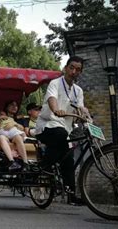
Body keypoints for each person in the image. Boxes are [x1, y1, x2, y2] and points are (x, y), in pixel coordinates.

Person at [35, 56, 86, 206]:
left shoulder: (78, 91)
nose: (73, 71)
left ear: (80, 72)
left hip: (65, 129)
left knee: (68, 158)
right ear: (65, 68)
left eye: (78, 69)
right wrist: (56, 110)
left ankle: (71, 195)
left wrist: (85, 115)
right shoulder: (55, 83)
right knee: (61, 135)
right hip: (47, 126)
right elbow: (52, 98)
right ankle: (45, 165)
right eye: (71, 67)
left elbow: (81, 108)